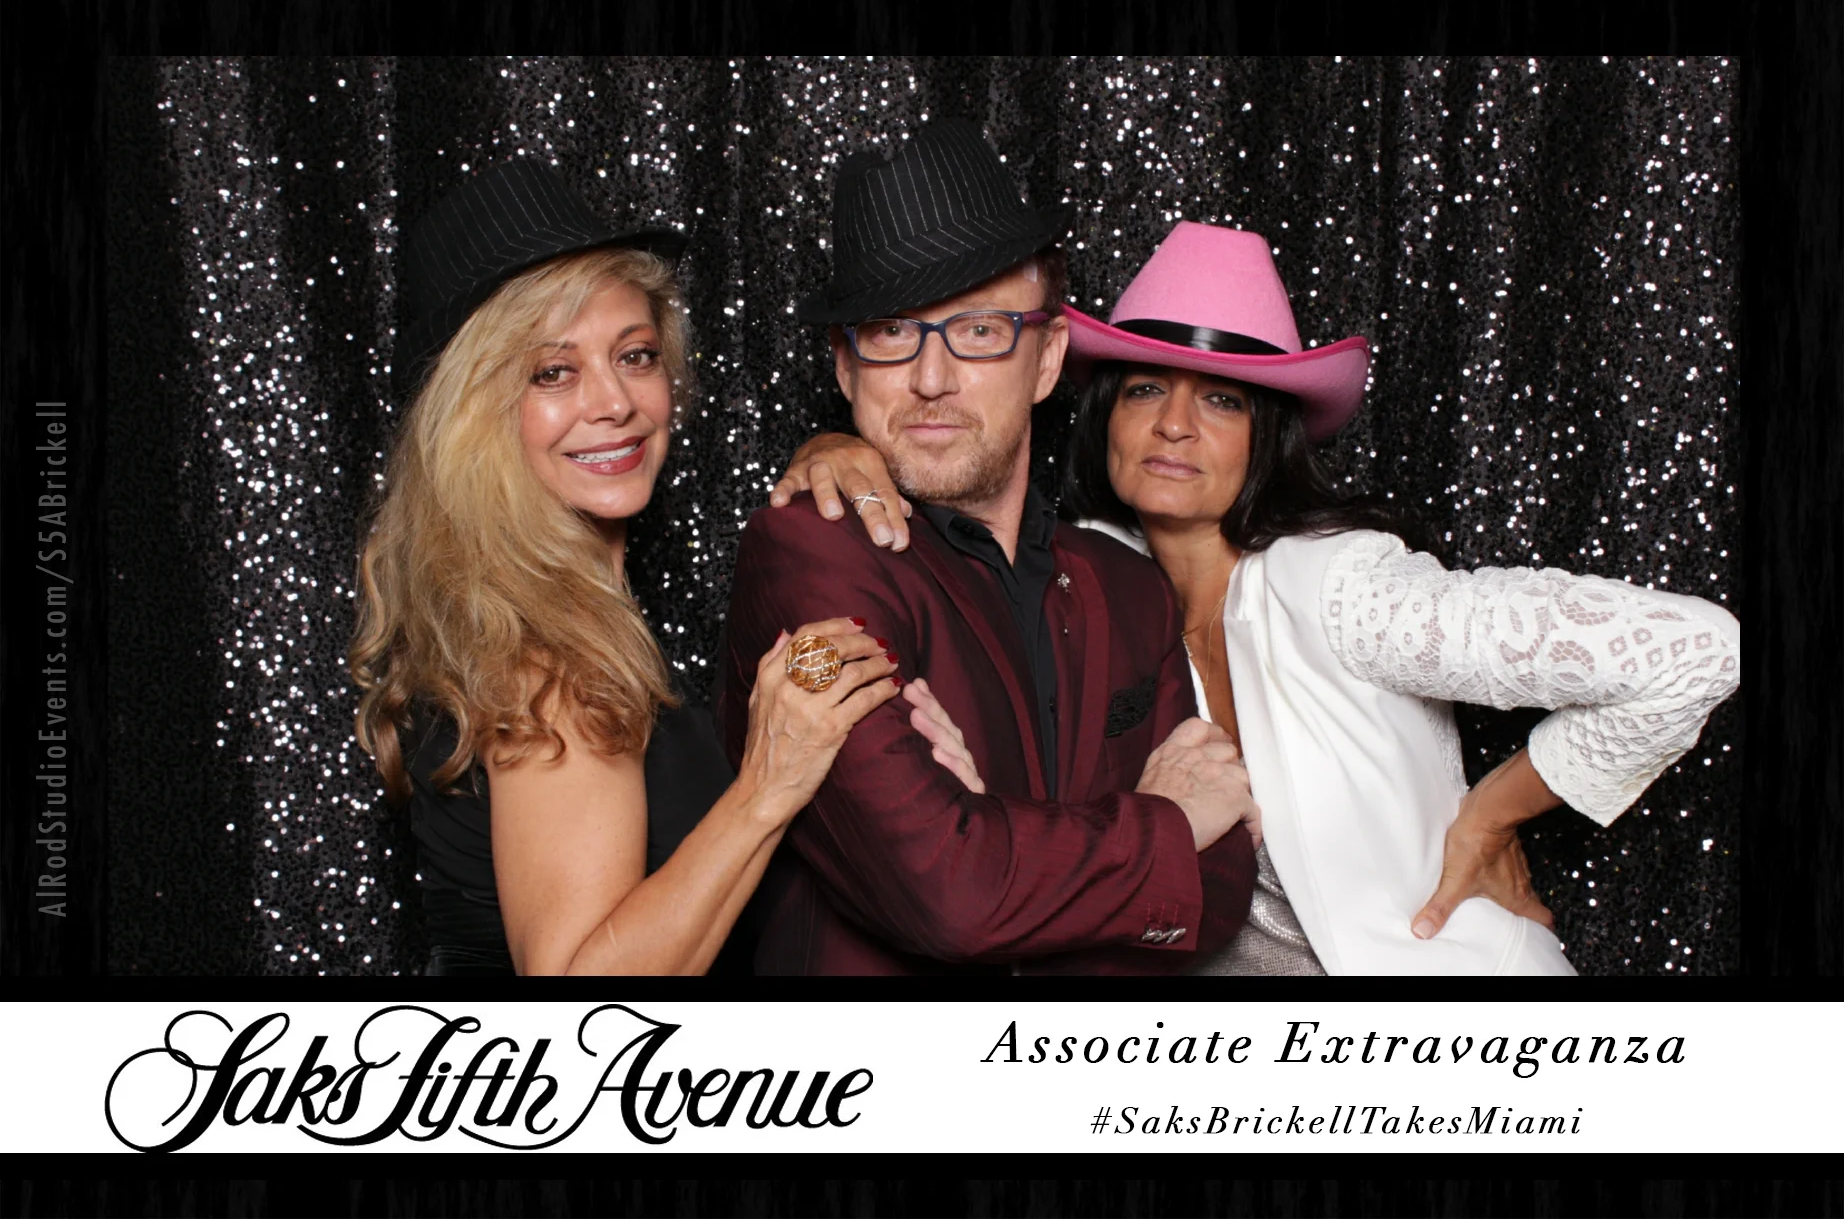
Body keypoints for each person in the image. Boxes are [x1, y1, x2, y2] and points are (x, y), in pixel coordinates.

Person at [781, 220, 1742, 975]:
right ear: (1104, 413)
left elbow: (1698, 649)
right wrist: (842, 450)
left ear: (1265, 434)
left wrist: (1496, 811)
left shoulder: (1343, 584)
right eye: (1145, 388)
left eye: (1222, 399)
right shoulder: (1087, 576)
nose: (1175, 426)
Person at [349, 161, 969, 976]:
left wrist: (829, 451)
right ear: (470, 413)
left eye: (635, 356)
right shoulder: (549, 661)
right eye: (553, 372)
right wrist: (770, 784)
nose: (616, 402)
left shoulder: (548, 609)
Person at [720, 121, 1261, 976]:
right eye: (892, 332)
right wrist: (1165, 822)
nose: (931, 379)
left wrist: (995, 832)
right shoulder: (809, 555)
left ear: (1047, 360)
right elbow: (947, 894)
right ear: (846, 368)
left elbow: (1220, 892)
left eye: (978, 331)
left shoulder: (1130, 585)